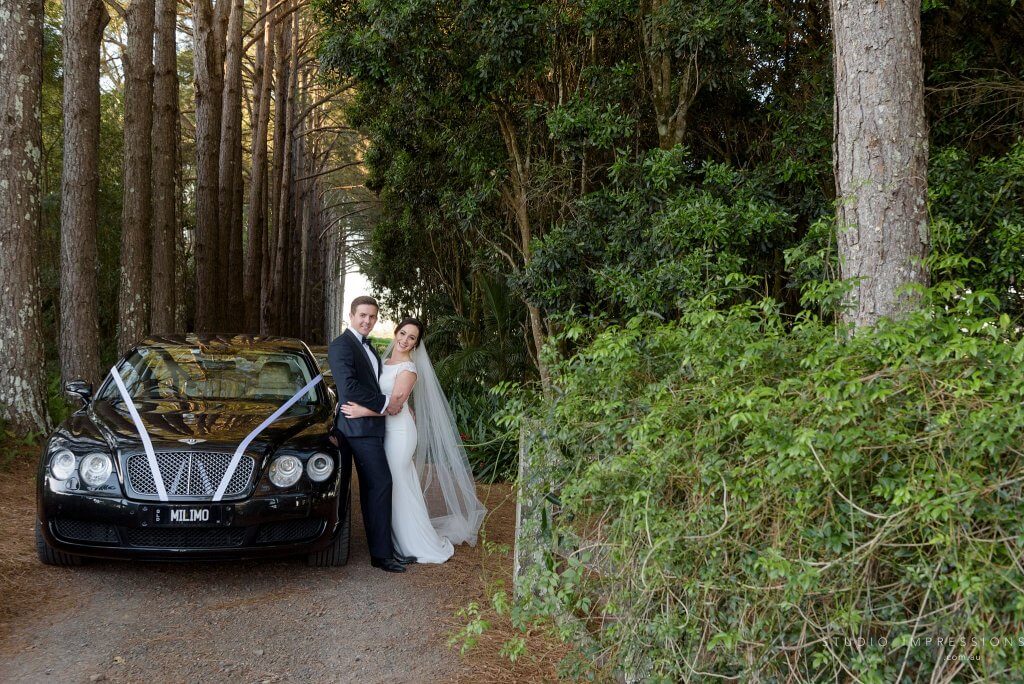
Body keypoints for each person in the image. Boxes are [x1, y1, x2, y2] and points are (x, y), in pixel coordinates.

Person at [340, 317, 486, 563]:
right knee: (394, 484)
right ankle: (392, 539)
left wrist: (361, 411)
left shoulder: (408, 369)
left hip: (400, 432)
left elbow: (396, 405)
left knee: (396, 484)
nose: (405, 340)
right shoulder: (382, 362)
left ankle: (413, 542)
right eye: (403, 333)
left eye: (412, 338)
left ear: (416, 345)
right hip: (383, 429)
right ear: (396, 332)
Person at [327, 296, 412, 573]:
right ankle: (381, 556)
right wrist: (387, 404)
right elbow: (349, 388)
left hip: (369, 425)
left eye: (372, 317)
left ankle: (383, 551)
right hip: (357, 428)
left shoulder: (371, 349)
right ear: (351, 315)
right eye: (363, 315)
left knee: (375, 487)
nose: (368, 321)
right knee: (380, 484)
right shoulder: (341, 346)